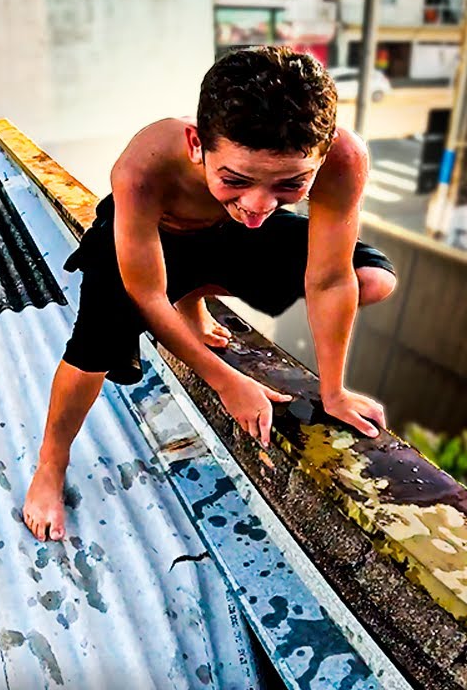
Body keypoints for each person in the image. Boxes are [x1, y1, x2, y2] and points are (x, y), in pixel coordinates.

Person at [22, 46, 398, 542]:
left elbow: (329, 278)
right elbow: (148, 296)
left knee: (371, 277)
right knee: (94, 348)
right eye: (235, 179)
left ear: (323, 152)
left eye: (291, 184)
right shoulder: (144, 168)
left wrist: (333, 393)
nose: (261, 203)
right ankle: (51, 462)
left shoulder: (341, 161)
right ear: (197, 144)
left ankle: (195, 293)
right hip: (159, 235)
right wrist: (226, 381)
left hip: (229, 235)